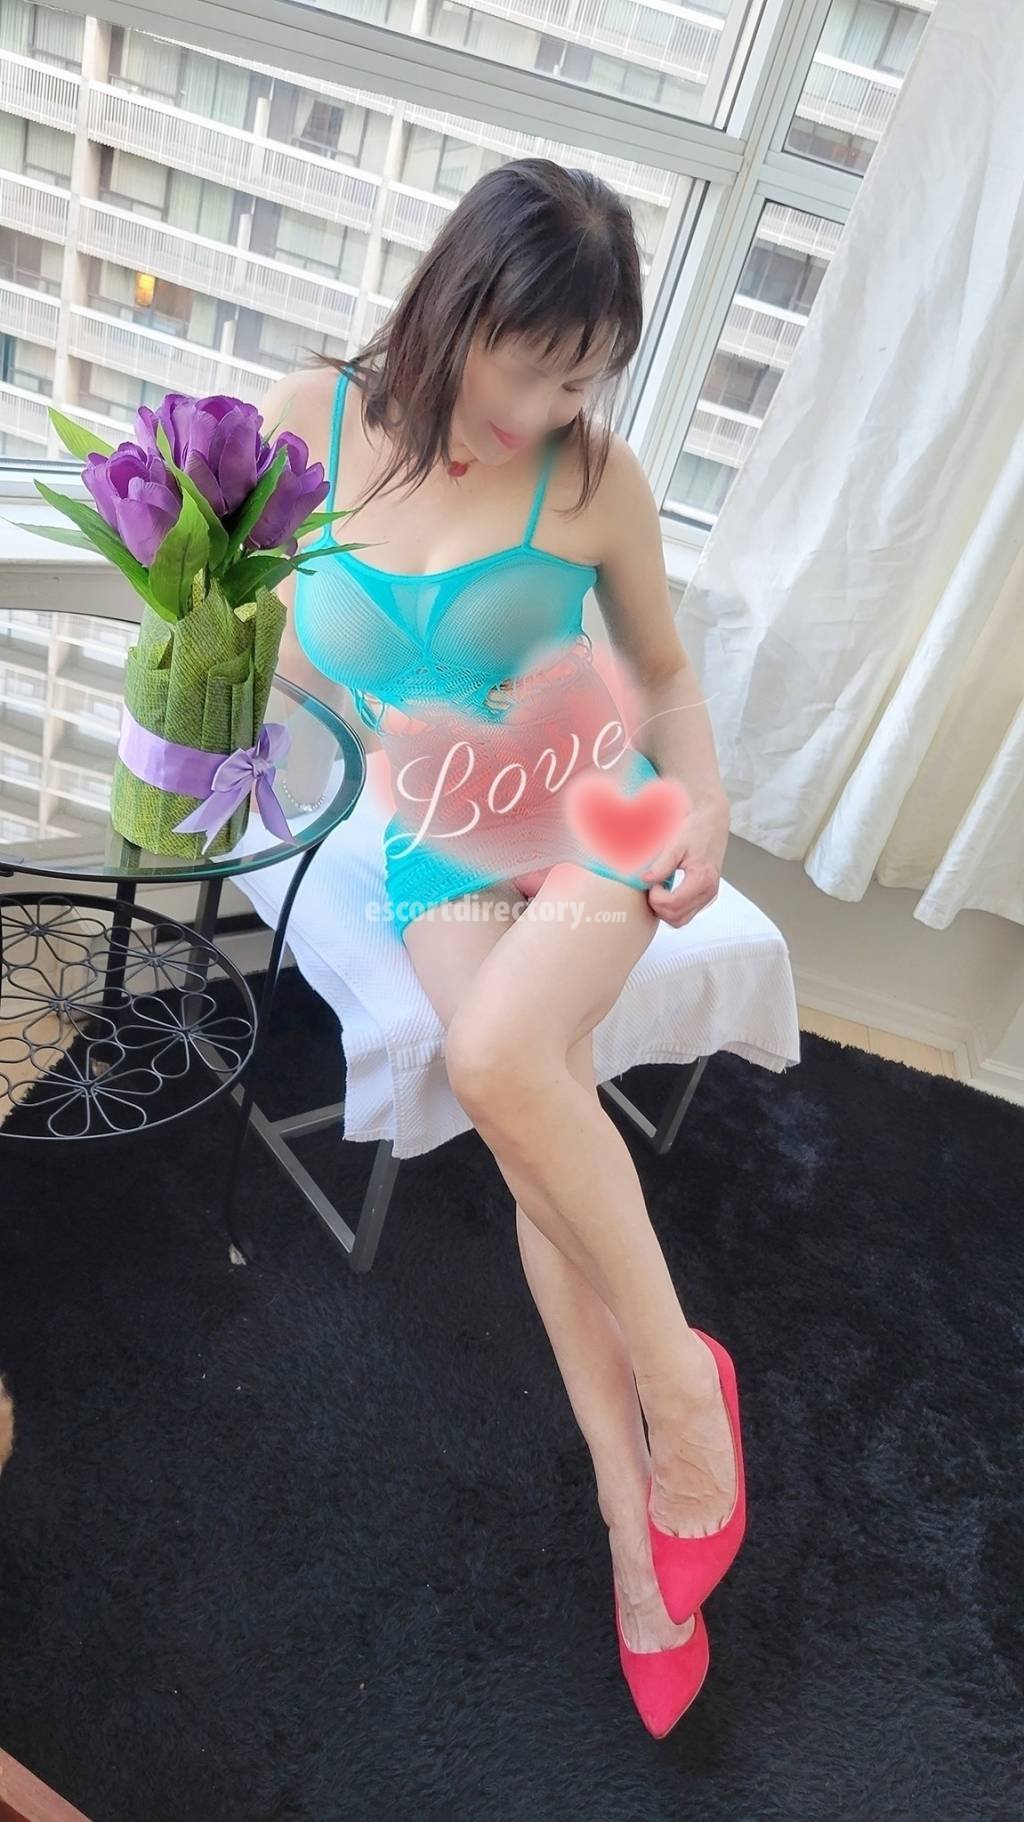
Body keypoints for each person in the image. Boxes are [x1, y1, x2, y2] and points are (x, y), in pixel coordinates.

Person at [262, 157, 742, 1736]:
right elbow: (262, 631)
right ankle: (634, 1518)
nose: (549, 408)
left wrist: (705, 804)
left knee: (498, 1057)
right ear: (456, 307)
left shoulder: (596, 478)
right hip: (439, 835)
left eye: (584, 376)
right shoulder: (307, 422)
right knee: (540, 1135)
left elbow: (664, 676)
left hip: (592, 801)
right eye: (531, 364)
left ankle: (683, 1393)